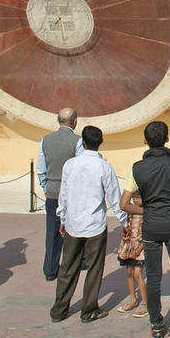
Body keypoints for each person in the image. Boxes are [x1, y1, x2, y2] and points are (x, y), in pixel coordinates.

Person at [120, 121, 170, 338]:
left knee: (153, 275)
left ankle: (155, 323)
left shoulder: (137, 168)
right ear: (167, 138)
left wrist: (145, 210)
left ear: (146, 140)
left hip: (150, 226)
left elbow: (124, 203)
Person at [50, 126, 127, 324]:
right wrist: (124, 222)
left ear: (82, 142)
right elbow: (114, 196)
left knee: (68, 267)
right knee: (94, 267)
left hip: (74, 223)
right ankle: (89, 309)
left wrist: (63, 218)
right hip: (95, 225)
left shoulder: (70, 165)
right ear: (99, 143)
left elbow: (64, 194)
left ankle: (59, 309)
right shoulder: (104, 167)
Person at [37, 108, 83, 281]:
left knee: (53, 231)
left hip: (53, 192)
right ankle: (79, 262)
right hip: (71, 193)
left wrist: (46, 185)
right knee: (76, 229)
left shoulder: (45, 140)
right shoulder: (78, 142)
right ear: (75, 121)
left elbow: (41, 167)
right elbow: (80, 168)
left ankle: (50, 269)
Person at [115, 194, 147, 318]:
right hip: (128, 245)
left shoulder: (146, 213)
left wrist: (139, 249)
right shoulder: (130, 211)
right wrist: (124, 233)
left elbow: (147, 234)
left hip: (139, 246)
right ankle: (133, 300)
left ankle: (145, 304)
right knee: (129, 273)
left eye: (139, 197)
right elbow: (126, 227)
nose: (136, 200)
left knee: (138, 274)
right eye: (134, 197)